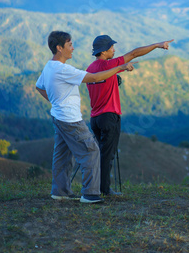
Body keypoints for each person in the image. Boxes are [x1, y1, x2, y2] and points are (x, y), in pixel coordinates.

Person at [35, 31, 136, 204]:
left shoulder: (49, 67)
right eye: (70, 45)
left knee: (62, 154)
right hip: (70, 119)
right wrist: (120, 68)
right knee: (91, 151)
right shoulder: (64, 69)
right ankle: (90, 194)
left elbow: (39, 86)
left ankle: (60, 191)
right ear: (59, 48)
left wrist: (55, 101)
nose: (73, 48)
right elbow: (95, 77)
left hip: (58, 116)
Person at [86, 35, 173, 196]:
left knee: (98, 154)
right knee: (107, 155)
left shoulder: (90, 69)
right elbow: (134, 54)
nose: (114, 50)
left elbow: (101, 83)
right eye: (111, 47)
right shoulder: (110, 64)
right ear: (104, 51)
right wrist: (157, 45)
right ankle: (104, 189)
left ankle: (93, 186)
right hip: (109, 116)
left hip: (95, 118)